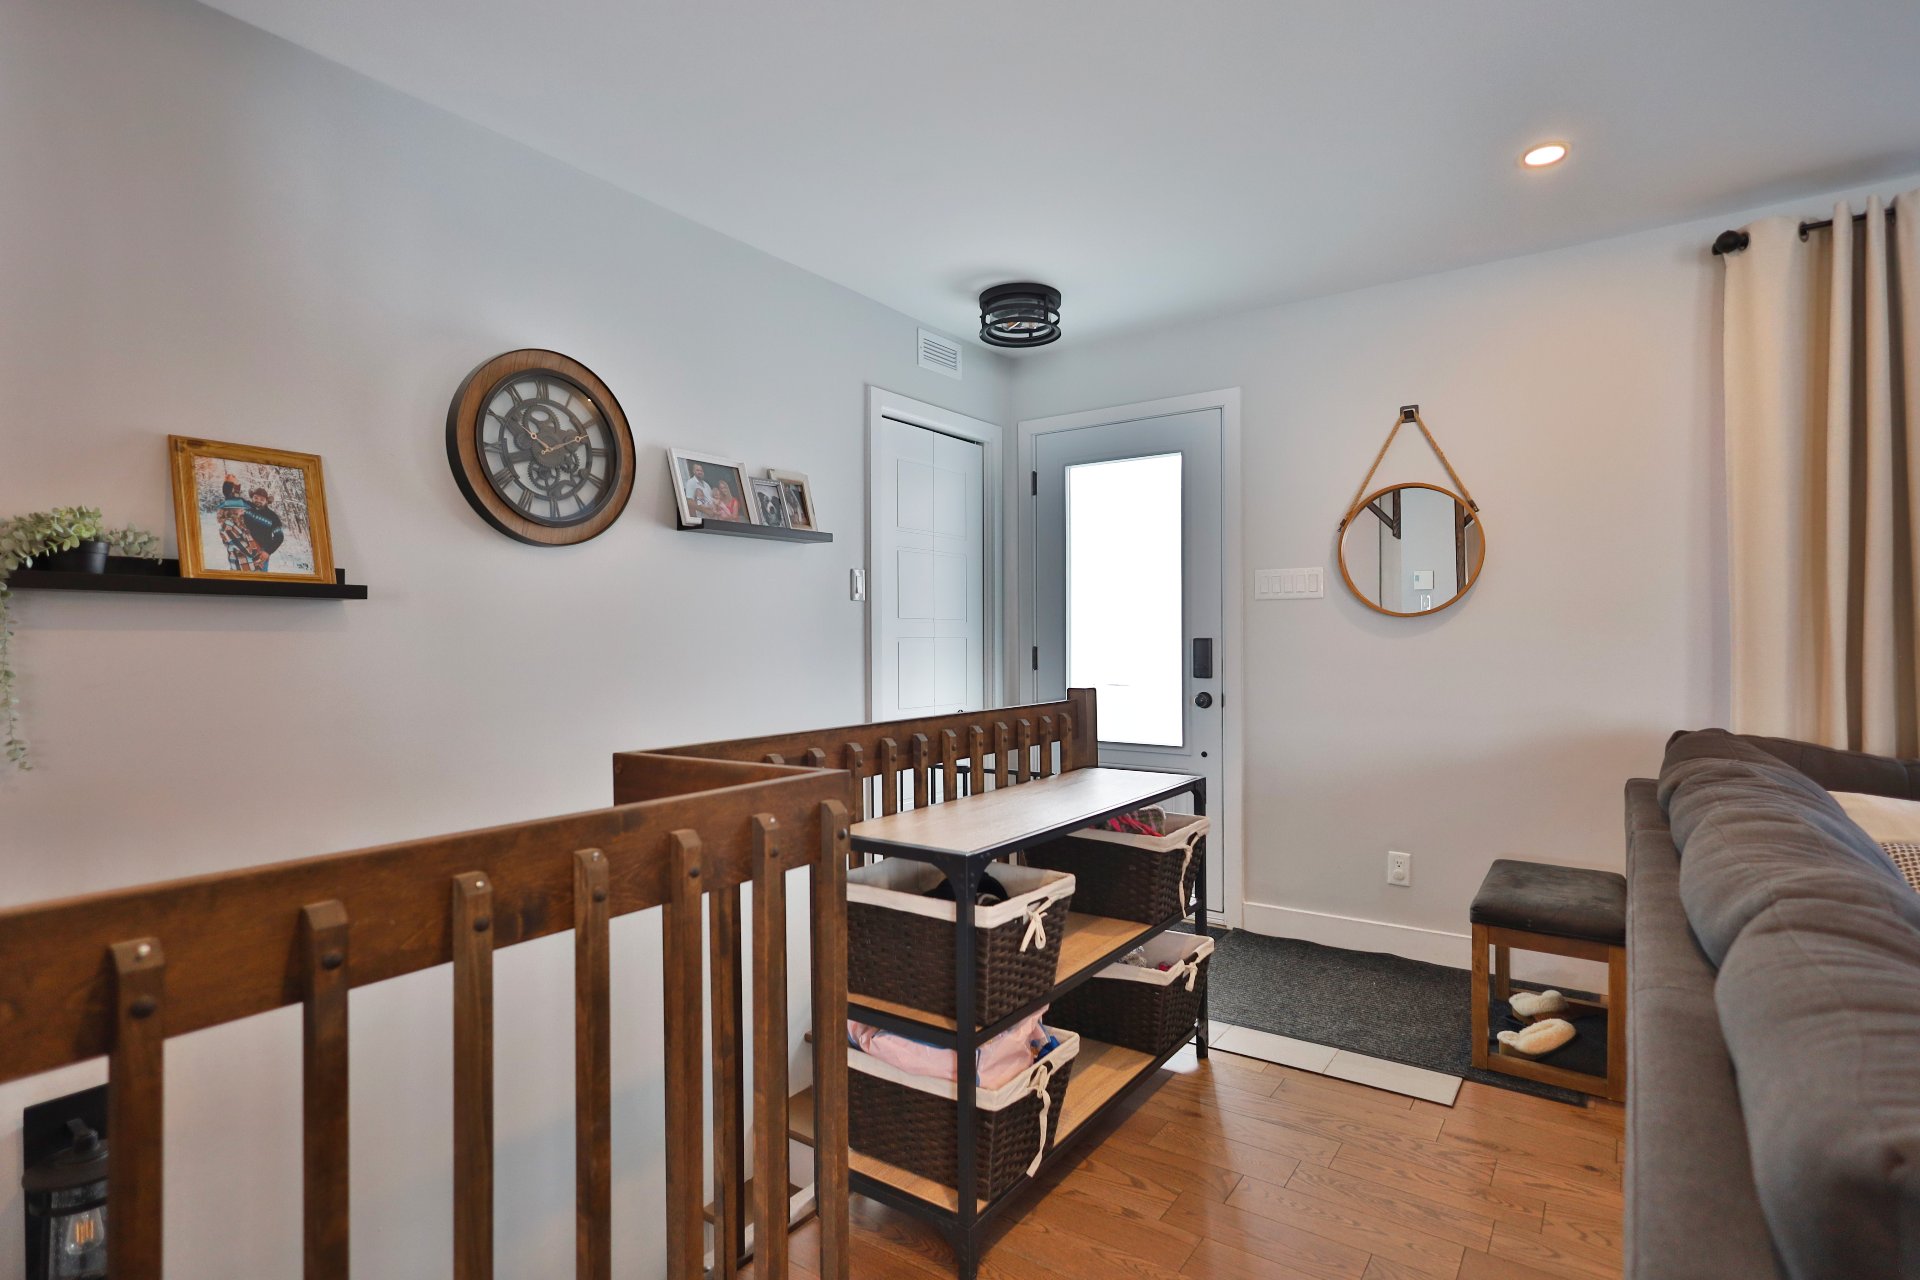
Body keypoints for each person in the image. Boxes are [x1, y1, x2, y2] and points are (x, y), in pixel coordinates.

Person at [215, 476, 267, 571]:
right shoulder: (228, 527)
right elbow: (249, 551)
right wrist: (258, 554)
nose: (243, 510)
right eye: (241, 508)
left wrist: (237, 485)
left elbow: (234, 497)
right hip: (241, 568)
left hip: (252, 565)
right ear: (233, 510)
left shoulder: (238, 521)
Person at [241, 487, 285, 568]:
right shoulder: (245, 509)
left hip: (261, 553)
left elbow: (279, 537)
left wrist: (267, 551)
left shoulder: (272, 516)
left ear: (266, 501)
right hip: (243, 549)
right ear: (252, 497)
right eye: (256, 498)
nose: (258, 500)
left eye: (262, 499)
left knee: (259, 574)